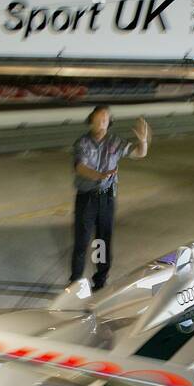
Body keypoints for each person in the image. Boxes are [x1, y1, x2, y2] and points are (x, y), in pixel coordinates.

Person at [69, 105, 150, 291]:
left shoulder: (115, 142)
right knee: (81, 240)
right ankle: (75, 282)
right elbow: (79, 167)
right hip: (86, 198)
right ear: (91, 121)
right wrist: (98, 175)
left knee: (102, 242)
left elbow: (139, 153)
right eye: (98, 119)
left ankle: (100, 281)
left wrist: (143, 141)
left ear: (109, 122)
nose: (101, 122)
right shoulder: (82, 142)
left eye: (105, 119)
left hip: (106, 198)